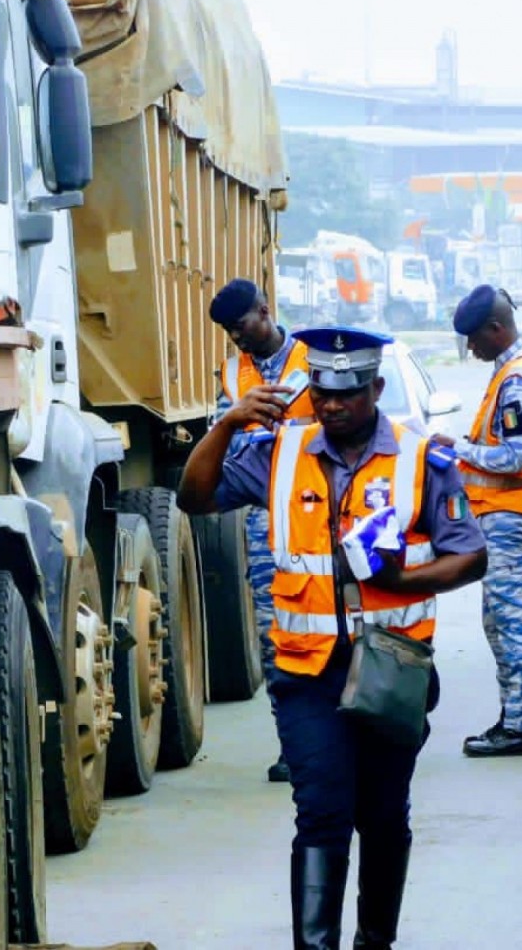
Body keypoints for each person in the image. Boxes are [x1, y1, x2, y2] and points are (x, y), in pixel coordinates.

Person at [178, 325, 487, 950]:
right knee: (321, 812)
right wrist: (227, 424)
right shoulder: (279, 454)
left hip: (391, 674)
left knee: (381, 816)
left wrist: (405, 577)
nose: (333, 404)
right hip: (306, 673)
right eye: (322, 392)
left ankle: (376, 941)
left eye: (348, 393)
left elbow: (471, 555)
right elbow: (194, 497)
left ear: (375, 388)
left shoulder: (418, 459)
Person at [440, 284, 522, 758]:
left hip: (509, 514)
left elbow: (512, 458)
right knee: (500, 620)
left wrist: (454, 449)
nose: (471, 348)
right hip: (503, 515)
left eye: (474, 338)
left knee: (513, 622)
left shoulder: (517, 381)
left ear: (496, 328)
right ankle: (515, 718)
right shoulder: (513, 370)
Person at [208, 278, 315, 783]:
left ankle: (338, 738)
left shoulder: (315, 361)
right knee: (276, 639)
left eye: (242, 325)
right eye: (230, 331)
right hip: (264, 522)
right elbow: (220, 447)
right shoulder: (233, 377)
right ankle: (294, 745)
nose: (237, 338)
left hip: (319, 519)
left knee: (332, 633)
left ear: (265, 311)